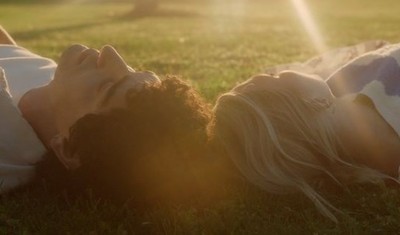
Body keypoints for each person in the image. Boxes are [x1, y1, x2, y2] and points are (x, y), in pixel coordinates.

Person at [0, 25, 216, 204]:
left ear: (69, 149)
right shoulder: (62, 85)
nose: (110, 53)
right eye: (133, 72)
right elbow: (10, 51)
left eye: (107, 87)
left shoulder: (7, 149)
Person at [210, 40, 400, 222]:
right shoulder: (347, 86)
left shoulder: (333, 88)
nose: (279, 72)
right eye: (276, 77)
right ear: (313, 102)